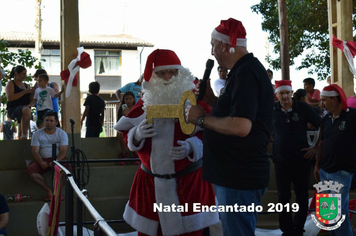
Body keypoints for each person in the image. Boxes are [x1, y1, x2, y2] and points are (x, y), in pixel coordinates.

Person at [114, 49, 219, 236]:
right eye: (161, 73)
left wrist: (192, 145)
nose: (168, 77)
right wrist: (136, 134)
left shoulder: (195, 103)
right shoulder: (143, 104)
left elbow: (212, 132)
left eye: (173, 72)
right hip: (150, 187)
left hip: (188, 185)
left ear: (181, 74)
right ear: (153, 76)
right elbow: (126, 131)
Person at [186, 18, 274, 235]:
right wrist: (213, 101)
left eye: (213, 45)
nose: (212, 52)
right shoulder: (242, 71)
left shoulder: (246, 73)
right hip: (235, 175)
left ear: (225, 45)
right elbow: (238, 114)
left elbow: (241, 126)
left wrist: (200, 119)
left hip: (238, 176)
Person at [273, 80, 322, 236]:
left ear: (292, 93)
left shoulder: (303, 108)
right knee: (283, 196)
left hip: (301, 159)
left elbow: (323, 125)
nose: (285, 96)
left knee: (301, 195)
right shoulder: (271, 109)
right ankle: (286, 230)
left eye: (287, 93)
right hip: (281, 161)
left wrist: (315, 148)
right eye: (281, 93)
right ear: (277, 95)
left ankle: (299, 229)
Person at [314, 84, 356, 236]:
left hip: (342, 172)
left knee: (339, 214)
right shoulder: (326, 119)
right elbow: (322, 143)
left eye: (324, 100)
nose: (322, 103)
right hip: (325, 172)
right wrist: (317, 166)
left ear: (334, 99)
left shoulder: (352, 116)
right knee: (329, 215)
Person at [27, 111, 69, 201]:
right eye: (46, 120)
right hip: (42, 160)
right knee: (32, 171)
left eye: (51, 120)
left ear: (56, 122)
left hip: (57, 159)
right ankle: (49, 191)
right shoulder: (37, 134)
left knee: (66, 169)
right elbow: (35, 151)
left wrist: (56, 161)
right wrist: (41, 162)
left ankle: (57, 192)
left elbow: (63, 151)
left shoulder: (62, 134)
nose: (48, 123)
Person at [5, 66, 35, 139]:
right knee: (26, 110)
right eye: (23, 74)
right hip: (13, 109)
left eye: (25, 74)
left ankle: (22, 136)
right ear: (16, 73)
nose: (24, 76)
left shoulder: (26, 85)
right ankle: (24, 135)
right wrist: (25, 92)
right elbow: (10, 98)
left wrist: (33, 93)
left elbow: (31, 100)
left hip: (24, 108)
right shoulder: (11, 83)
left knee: (26, 110)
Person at [116, 91, 136, 164]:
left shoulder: (136, 108)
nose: (128, 101)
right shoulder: (122, 109)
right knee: (120, 134)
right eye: (126, 99)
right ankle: (123, 153)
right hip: (125, 127)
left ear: (133, 99)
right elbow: (120, 122)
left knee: (135, 134)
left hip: (134, 127)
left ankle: (135, 153)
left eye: (130, 99)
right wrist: (124, 115)